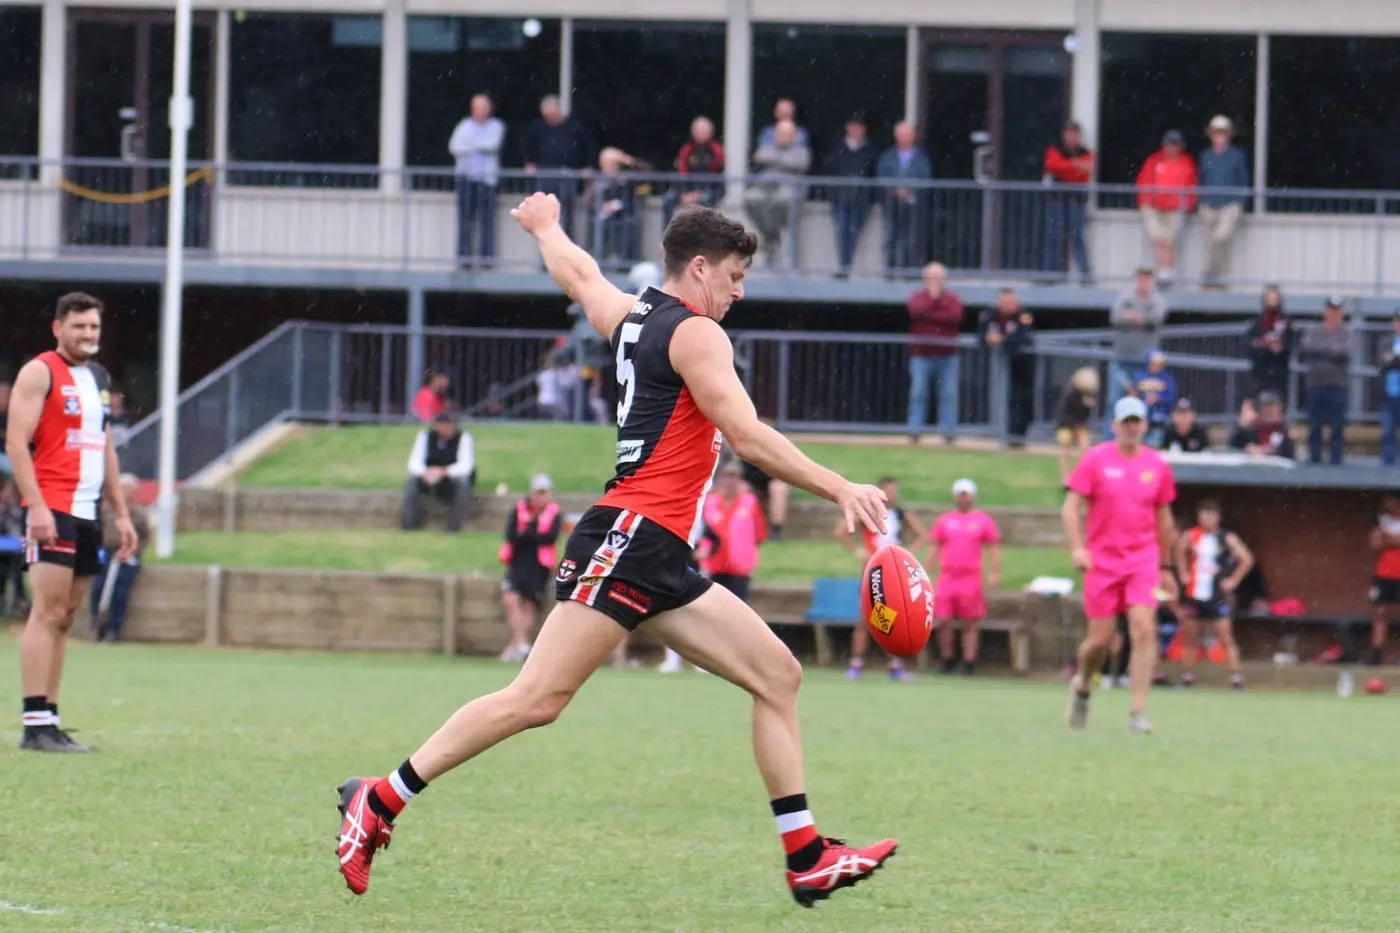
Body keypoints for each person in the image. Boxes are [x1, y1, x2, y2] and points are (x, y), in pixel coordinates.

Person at [335, 195, 897, 905]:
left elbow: (579, 275)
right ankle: (379, 799)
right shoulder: (697, 334)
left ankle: (806, 853)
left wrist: (545, 228)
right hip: (630, 539)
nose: (739, 291)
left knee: (778, 676)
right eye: (734, 276)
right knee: (536, 698)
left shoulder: (632, 317)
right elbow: (748, 436)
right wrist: (839, 486)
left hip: (658, 554)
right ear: (699, 268)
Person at [6, 292, 138, 753]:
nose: (87, 334)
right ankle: (34, 723)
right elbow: (16, 443)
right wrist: (36, 506)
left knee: (64, 618)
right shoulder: (39, 371)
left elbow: (105, 449)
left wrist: (121, 514)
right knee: (45, 612)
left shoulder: (98, 377)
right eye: (79, 326)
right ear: (57, 328)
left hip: (88, 512)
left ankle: (51, 719)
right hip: (53, 507)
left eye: (94, 327)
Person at [1062, 395, 1177, 735]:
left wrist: (1166, 567)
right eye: (1125, 421)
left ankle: (1138, 713)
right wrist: (1078, 548)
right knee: (1100, 641)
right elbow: (1070, 507)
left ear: (1145, 425)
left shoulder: (1157, 465)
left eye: (1136, 421)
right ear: (1114, 425)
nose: (1131, 427)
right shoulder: (1095, 460)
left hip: (1142, 559)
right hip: (1103, 560)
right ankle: (1083, 684)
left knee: (1144, 629)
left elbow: (1164, 519)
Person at [835, 476, 926, 681]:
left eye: (894, 491)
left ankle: (894, 664)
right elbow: (841, 532)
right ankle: (856, 663)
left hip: (895, 575)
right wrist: (859, 551)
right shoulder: (868, 512)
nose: (891, 495)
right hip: (873, 571)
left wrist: (908, 555)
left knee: (895, 619)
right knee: (865, 618)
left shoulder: (902, 514)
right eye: (887, 491)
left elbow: (922, 535)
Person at [1173, 499, 1253, 689]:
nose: (1207, 518)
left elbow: (1246, 559)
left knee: (1225, 636)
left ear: (1217, 517)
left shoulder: (1226, 538)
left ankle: (1235, 676)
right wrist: (1183, 572)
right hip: (1194, 593)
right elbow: (1177, 551)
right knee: (1190, 636)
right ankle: (1187, 675)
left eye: (1211, 515)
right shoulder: (1191, 535)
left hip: (1216, 594)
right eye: (1203, 514)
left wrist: (1233, 581)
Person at [926, 479, 1001, 676]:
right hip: (947, 576)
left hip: (971, 577)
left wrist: (994, 572)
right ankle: (947, 659)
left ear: (973, 496)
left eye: (966, 493)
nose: (963, 497)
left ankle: (969, 662)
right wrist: (924, 571)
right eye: (960, 493)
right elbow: (935, 547)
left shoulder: (982, 520)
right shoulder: (945, 521)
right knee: (943, 620)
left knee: (971, 621)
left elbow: (993, 548)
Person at [497, 474, 561, 663]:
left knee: (529, 605)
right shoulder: (519, 510)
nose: (540, 497)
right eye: (537, 492)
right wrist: (530, 536)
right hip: (517, 562)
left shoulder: (553, 512)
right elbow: (511, 534)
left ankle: (518, 646)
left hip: (539, 565)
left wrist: (526, 535)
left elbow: (549, 537)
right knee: (510, 598)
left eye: (544, 492)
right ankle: (519, 643)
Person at [90, 473, 152, 642]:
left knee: (121, 593)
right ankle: (97, 628)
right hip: (106, 553)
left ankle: (113, 630)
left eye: (129, 490)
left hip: (128, 556)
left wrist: (132, 551)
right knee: (97, 589)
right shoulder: (106, 510)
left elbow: (146, 537)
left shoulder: (138, 514)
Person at [401, 414, 475, 532]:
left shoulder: (464, 438)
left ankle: (454, 526)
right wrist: (425, 473)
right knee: (412, 481)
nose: (449, 428)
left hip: (452, 478)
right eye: (445, 425)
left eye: (451, 425)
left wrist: (444, 472)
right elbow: (414, 462)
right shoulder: (425, 436)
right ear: (436, 426)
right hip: (429, 476)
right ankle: (409, 524)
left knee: (463, 483)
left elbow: (466, 465)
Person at [1367, 492, 1400, 668]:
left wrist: (1389, 538)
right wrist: (1390, 539)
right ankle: (1376, 654)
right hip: (1384, 574)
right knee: (1380, 613)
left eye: (1392, 502)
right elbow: (1375, 543)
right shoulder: (1381, 520)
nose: (1389, 506)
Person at [1055, 367, 1098, 483]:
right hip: (1066, 424)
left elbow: (1085, 415)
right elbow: (1063, 413)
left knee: (1085, 447)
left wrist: (1087, 406)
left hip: (1079, 424)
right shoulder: (1070, 393)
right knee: (1065, 448)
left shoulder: (1088, 393)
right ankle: (1065, 477)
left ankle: (1081, 475)